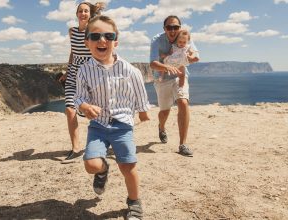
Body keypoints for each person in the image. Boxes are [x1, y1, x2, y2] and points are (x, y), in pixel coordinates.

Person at [75, 15, 150, 220]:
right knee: (91, 164)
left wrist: (143, 110)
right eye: (96, 36)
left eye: (109, 35)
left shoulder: (129, 69)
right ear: (87, 41)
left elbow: (138, 89)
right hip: (98, 126)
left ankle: (134, 203)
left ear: (116, 41)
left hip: (122, 125)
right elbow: (78, 96)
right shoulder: (84, 70)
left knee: (128, 166)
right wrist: (84, 106)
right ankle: (103, 170)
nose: (102, 40)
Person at [58, 2, 106, 164]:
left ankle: (105, 142)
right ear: (76, 14)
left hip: (90, 72)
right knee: (70, 110)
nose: (83, 13)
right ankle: (76, 149)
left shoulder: (93, 31)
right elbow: (73, 51)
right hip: (73, 73)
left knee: (97, 111)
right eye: (80, 11)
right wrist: (67, 70)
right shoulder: (71, 31)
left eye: (86, 11)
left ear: (89, 14)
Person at [149, 15, 199, 157]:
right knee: (164, 111)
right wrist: (166, 67)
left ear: (180, 28)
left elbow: (195, 55)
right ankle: (161, 127)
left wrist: (190, 58)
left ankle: (183, 144)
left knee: (183, 102)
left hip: (180, 75)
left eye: (175, 27)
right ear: (164, 29)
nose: (172, 30)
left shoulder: (185, 37)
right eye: (169, 27)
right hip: (162, 77)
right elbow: (152, 63)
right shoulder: (157, 40)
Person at [160, 29, 198, 96]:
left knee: (182, 75)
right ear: (177, 40)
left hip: (181, 63)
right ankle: (162, 76)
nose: (182, 44)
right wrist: (165, 55)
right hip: (172, 61)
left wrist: (191, 57)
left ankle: (180, 88)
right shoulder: (174, 47)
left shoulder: (187, 47)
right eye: (180, 42)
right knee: (164, 64)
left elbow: (194, 53)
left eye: (184, 42)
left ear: (187, 41)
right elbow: (170, 54)